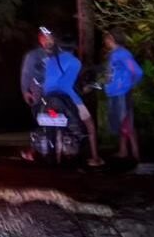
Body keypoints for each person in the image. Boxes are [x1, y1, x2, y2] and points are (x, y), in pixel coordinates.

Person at [20, 27, 102, 166]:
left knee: (49, 124)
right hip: (60, 95)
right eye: (45, 38)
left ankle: (50, 155)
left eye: (50, 38)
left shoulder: (52, 59)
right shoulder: (73, 61)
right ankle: (95, 157)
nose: (48, 40)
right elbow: (70, 82)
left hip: (47, 96)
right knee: (89, 124)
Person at [103, 31, 144, 162]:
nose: (105, 41)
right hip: (115, 92)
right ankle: (123, 151)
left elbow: (137, 72)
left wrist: (128, 85)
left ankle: (135, 153)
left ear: (113, 39)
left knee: (127, 122)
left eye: (107, 38)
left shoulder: (123, 53)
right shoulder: (114, 54)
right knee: (123, 123)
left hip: (122, 93)